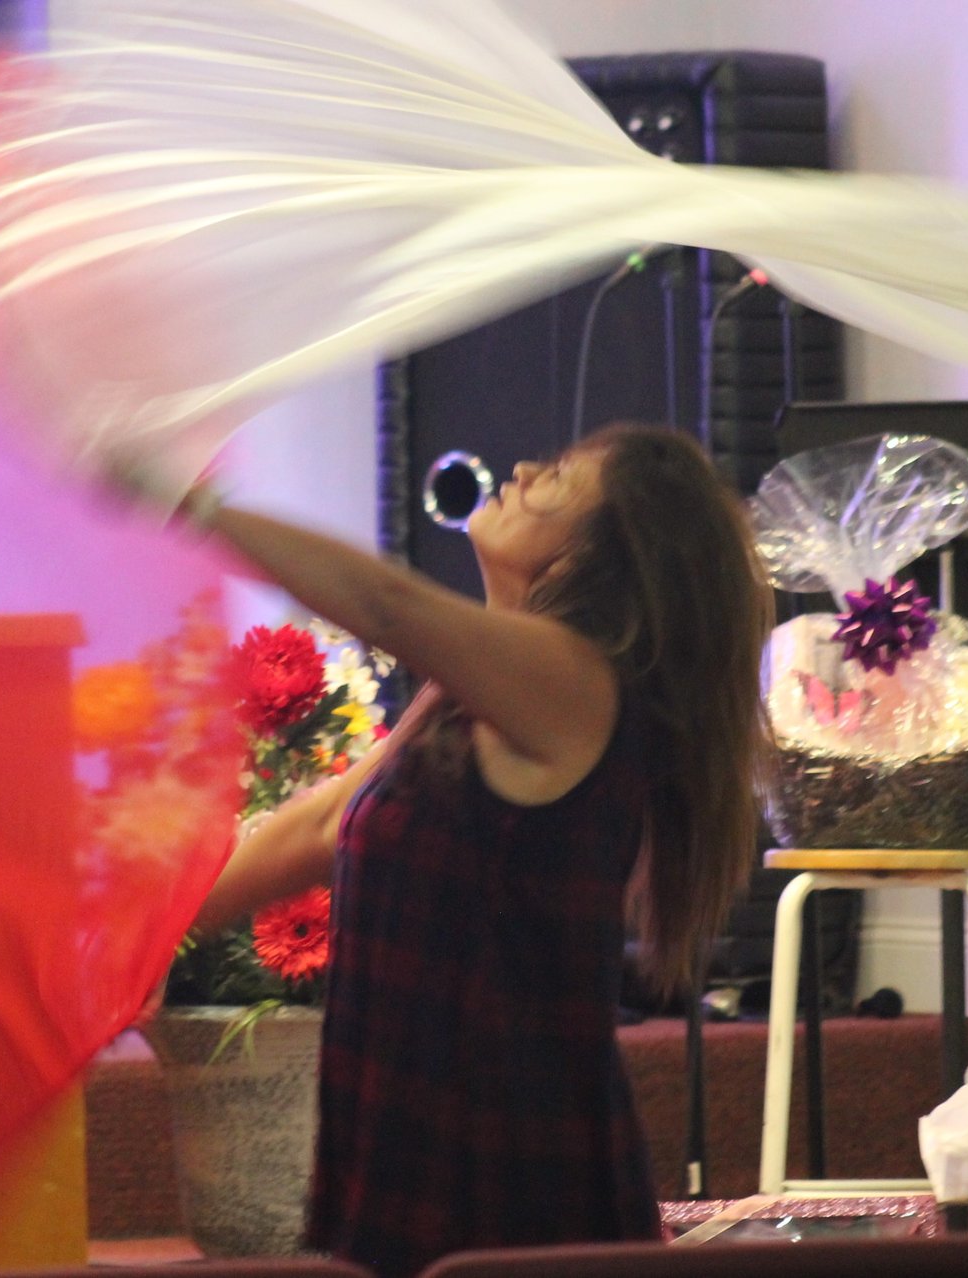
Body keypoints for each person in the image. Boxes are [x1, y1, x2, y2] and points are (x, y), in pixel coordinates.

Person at [175, 423, 771, 1278]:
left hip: (502, 1150)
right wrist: (145, 938)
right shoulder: (477, 694)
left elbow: (389, 605)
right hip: (415, 1120)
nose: (522, 469)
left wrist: (193, 509)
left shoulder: (574, 681)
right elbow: (320, 826)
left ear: (594, 554)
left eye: (556, 477)